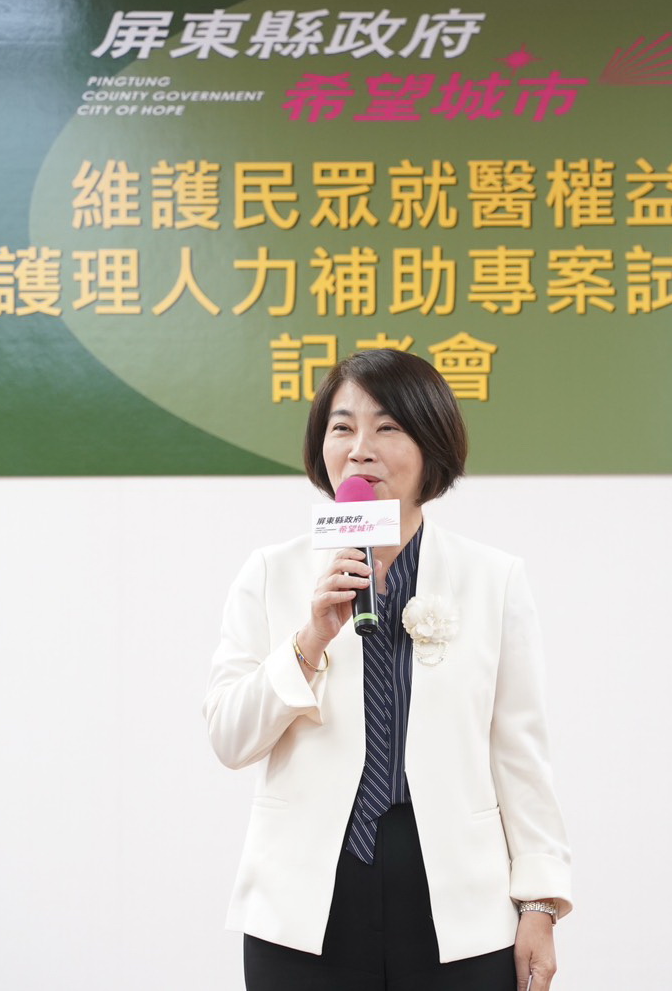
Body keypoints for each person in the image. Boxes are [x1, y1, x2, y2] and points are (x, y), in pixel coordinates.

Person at [205, 349, 572, 991]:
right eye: (342, 428)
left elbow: (519, 753)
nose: (360, 449)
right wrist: (309, 641)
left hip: (456, 899)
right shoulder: (271, 573)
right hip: (304, 903)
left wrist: (539, 902)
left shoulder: (493, 580)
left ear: (431, 446)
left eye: (388, 427)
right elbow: (230, 738)